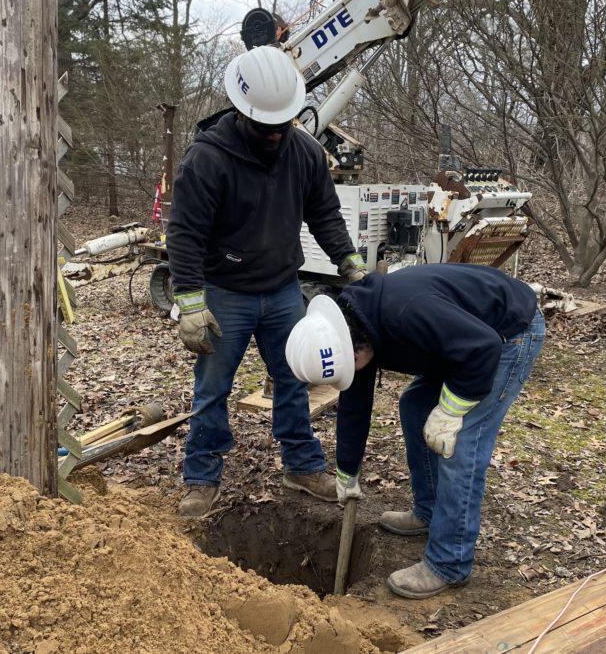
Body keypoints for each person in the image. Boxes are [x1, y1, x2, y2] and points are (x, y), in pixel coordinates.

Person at [166, 45, 368, 518]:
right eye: (266, 127)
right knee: (213, 388)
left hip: (282, 289)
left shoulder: (305, 153)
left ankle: (302, 466)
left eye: (284, 124)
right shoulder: (207, 160)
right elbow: (185, 233)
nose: (276, 134)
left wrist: (349, 262)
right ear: (242, 112)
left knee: (295, 379)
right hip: (225, 292)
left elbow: (325, 213)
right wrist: (190, 302)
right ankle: (202, 475)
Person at [284, 263, 544, 599]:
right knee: (415, 406)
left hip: (505, 336)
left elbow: (483, 347)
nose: (351, 375)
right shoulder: (354, 325)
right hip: (459, 341)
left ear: (355, 348)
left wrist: (450, 411)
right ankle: (429, 511)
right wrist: (346, 472)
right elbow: (355, 405)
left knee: (460, 442)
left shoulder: (406, 314)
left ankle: (450, 562)